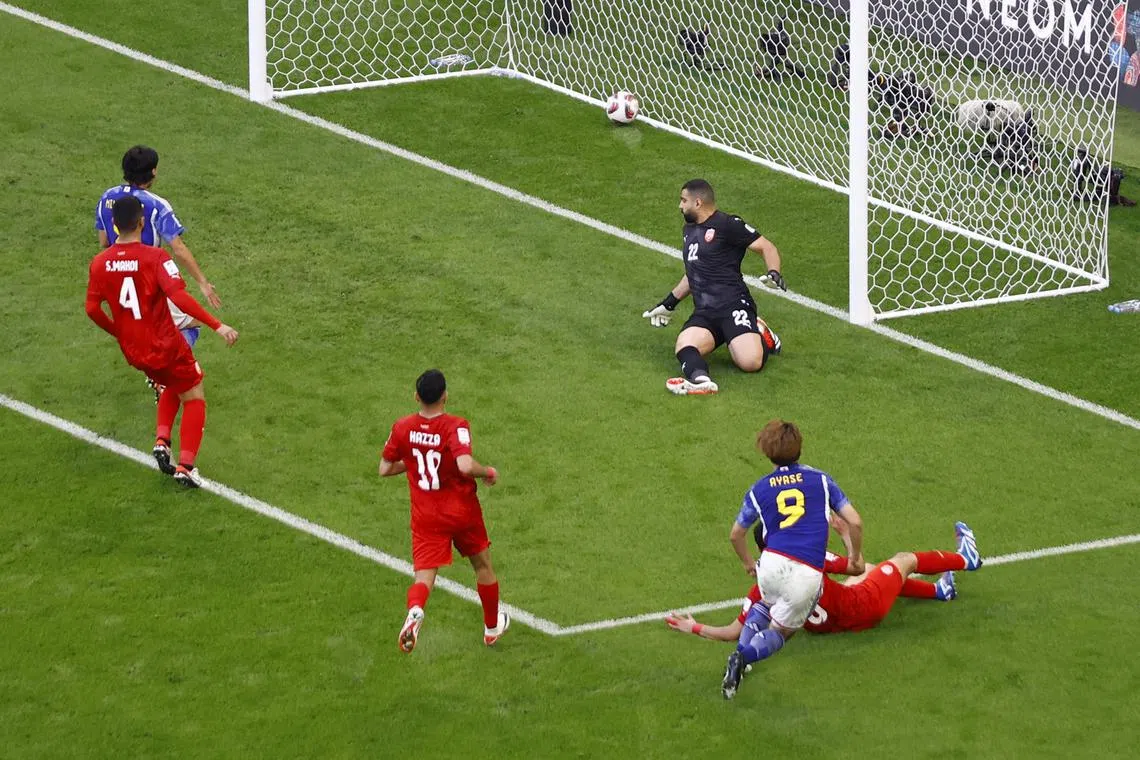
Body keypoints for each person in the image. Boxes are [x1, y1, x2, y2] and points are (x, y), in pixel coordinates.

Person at [85, 195, 239, 488]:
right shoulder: (156, 258)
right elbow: (178, 296)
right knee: (194, 394)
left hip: (135, 351)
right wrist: (217, 325)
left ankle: (162, 439)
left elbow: (92, 309)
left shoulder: (99, 263)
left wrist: (119, 332)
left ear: (115, 226)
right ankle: (186, 467)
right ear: (141, 223)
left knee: (173, 383)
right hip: (166, 344)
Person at [720, 419, 864, 698]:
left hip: (771, 563)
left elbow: (736, 535)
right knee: (782, 631)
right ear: (800, 449)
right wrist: (855, 556)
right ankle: (744, 657)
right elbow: (855, 522)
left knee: (764, 603)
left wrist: (749, 563)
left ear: (766, 451)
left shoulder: (758, 489)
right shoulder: (821, 480)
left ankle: (740, 652)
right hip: (806, 571)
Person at [665, 520, 982, 644]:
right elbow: (855, 566)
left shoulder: (763, 585)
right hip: (862, 608)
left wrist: (694, 627)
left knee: (876, 570)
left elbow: (733, 632)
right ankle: (967, 558)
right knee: (902, 561)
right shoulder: (807, 559)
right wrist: (845, 535)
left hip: (831, 622)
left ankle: (941, 591)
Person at [380, 369, 509, 653]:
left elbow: (385, 468)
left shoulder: (401, 427)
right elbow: (464, 465)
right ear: (445, 396)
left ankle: (415, 610)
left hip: (426, 516)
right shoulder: (455, 425)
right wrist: (486, 471)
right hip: (461, 512)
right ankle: (491, 628)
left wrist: (412, 462)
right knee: (483, 566)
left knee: (424, 577)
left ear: (416, 396)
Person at [96, 146, 222, 398]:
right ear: (152, 172)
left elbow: (103, 242)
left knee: (161, 328)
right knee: (193, 324)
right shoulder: (155, 205)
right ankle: (164, 380)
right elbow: (178, 247)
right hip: (151, 278)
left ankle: (161, 374)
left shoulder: (107, 197)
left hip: (120, 278)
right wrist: (203, 282)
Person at [641, 179, 786, 396]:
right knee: (684, 344)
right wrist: (669, 303)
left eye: (683, 201)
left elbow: (766, 246)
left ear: (698, 202)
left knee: (750, 362)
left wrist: (773, 272)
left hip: (733, 305)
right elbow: (694, 273)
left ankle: (760, 332)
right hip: (706, 312)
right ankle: (701, 380)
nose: (680, 206)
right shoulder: (688, 231)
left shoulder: (728, 225)